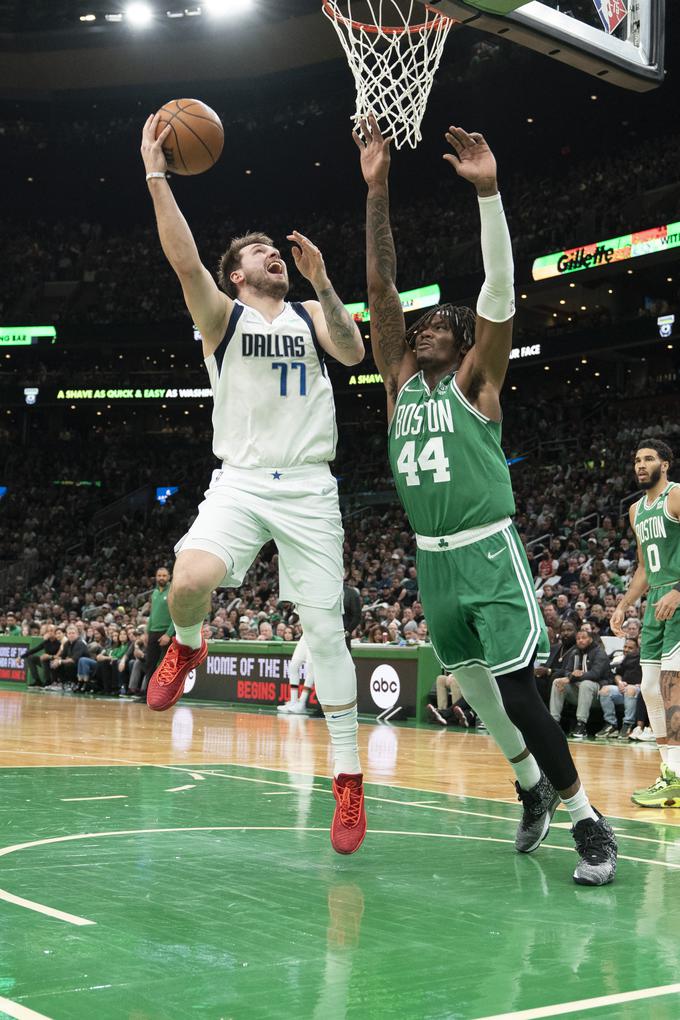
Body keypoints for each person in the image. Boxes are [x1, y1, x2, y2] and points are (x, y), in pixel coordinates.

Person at [355, 113, 616, 884]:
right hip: (432, 564)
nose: (427, 329)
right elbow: (379, 287)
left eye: (443, 326)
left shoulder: (477, 383)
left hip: (488, 551)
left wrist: (491, 195)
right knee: (476, 693)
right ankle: (529, 786)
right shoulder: (400, 388)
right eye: (422, 325)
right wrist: (378, 188)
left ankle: (588, 821)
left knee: (521, 694)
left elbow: (498, 291)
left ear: (463, 344)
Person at [140, 113, 367, 854]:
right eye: (261, 252)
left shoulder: (308, 311)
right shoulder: (223, 316)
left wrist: (326, 282)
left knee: (327, 632)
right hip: (239, 479)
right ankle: (190, 645)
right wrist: (156, 175)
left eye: (278, 251)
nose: (276, 255)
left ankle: (346, 779)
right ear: (236, 273)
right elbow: (182, 262)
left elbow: (355, 351)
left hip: (307, 485)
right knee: (186, 581)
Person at [611, 440, 680, 807]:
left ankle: (678, 775)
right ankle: (670, 773)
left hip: (678, 597)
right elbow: (643, 567)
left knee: (672, 686)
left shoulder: (676, 496)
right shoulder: (636, 510)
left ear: (665, 465)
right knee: (651, 687)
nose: (640, 465)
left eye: (649, 459)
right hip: (655, 600)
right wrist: (624, 603)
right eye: (637, 459)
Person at [549, 629, 612, 738]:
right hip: (579, 691)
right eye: (578, 638)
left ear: (590, 639)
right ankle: (554, 722)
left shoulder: (599, 653)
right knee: (557, 682)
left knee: (586, 684)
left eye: (583, 638)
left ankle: (581, 725)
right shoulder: (575, 653)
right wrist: (571, 675)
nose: (580, 641)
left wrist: (571, 678)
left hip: (598, 692)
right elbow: (567, 671)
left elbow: (595, 674)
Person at [596, 636, 642, 739]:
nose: (626, 650)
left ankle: (627, 725)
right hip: (623, 689)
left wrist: (642, 684)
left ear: (637, 649)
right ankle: (611, 724)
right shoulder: (627, 658)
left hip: (638, 690)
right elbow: (617, 674)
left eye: (630, 648)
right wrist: (620, 682)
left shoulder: (644, 658)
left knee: (630, 689)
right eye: (625, 647)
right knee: (604, 690)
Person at [142, 567, 175, 687]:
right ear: (156, 577)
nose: (161, 578)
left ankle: (165, 693)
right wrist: (147, 632)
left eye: (164, 575)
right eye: (159, 575)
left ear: (169, 577)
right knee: (149, 664)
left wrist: (168, 634)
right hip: (153, 632)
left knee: (165, 665)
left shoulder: (173, 591)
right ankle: (147, 694)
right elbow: (152, 614)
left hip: (165, 632)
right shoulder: (155, 592)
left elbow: (176, 616)